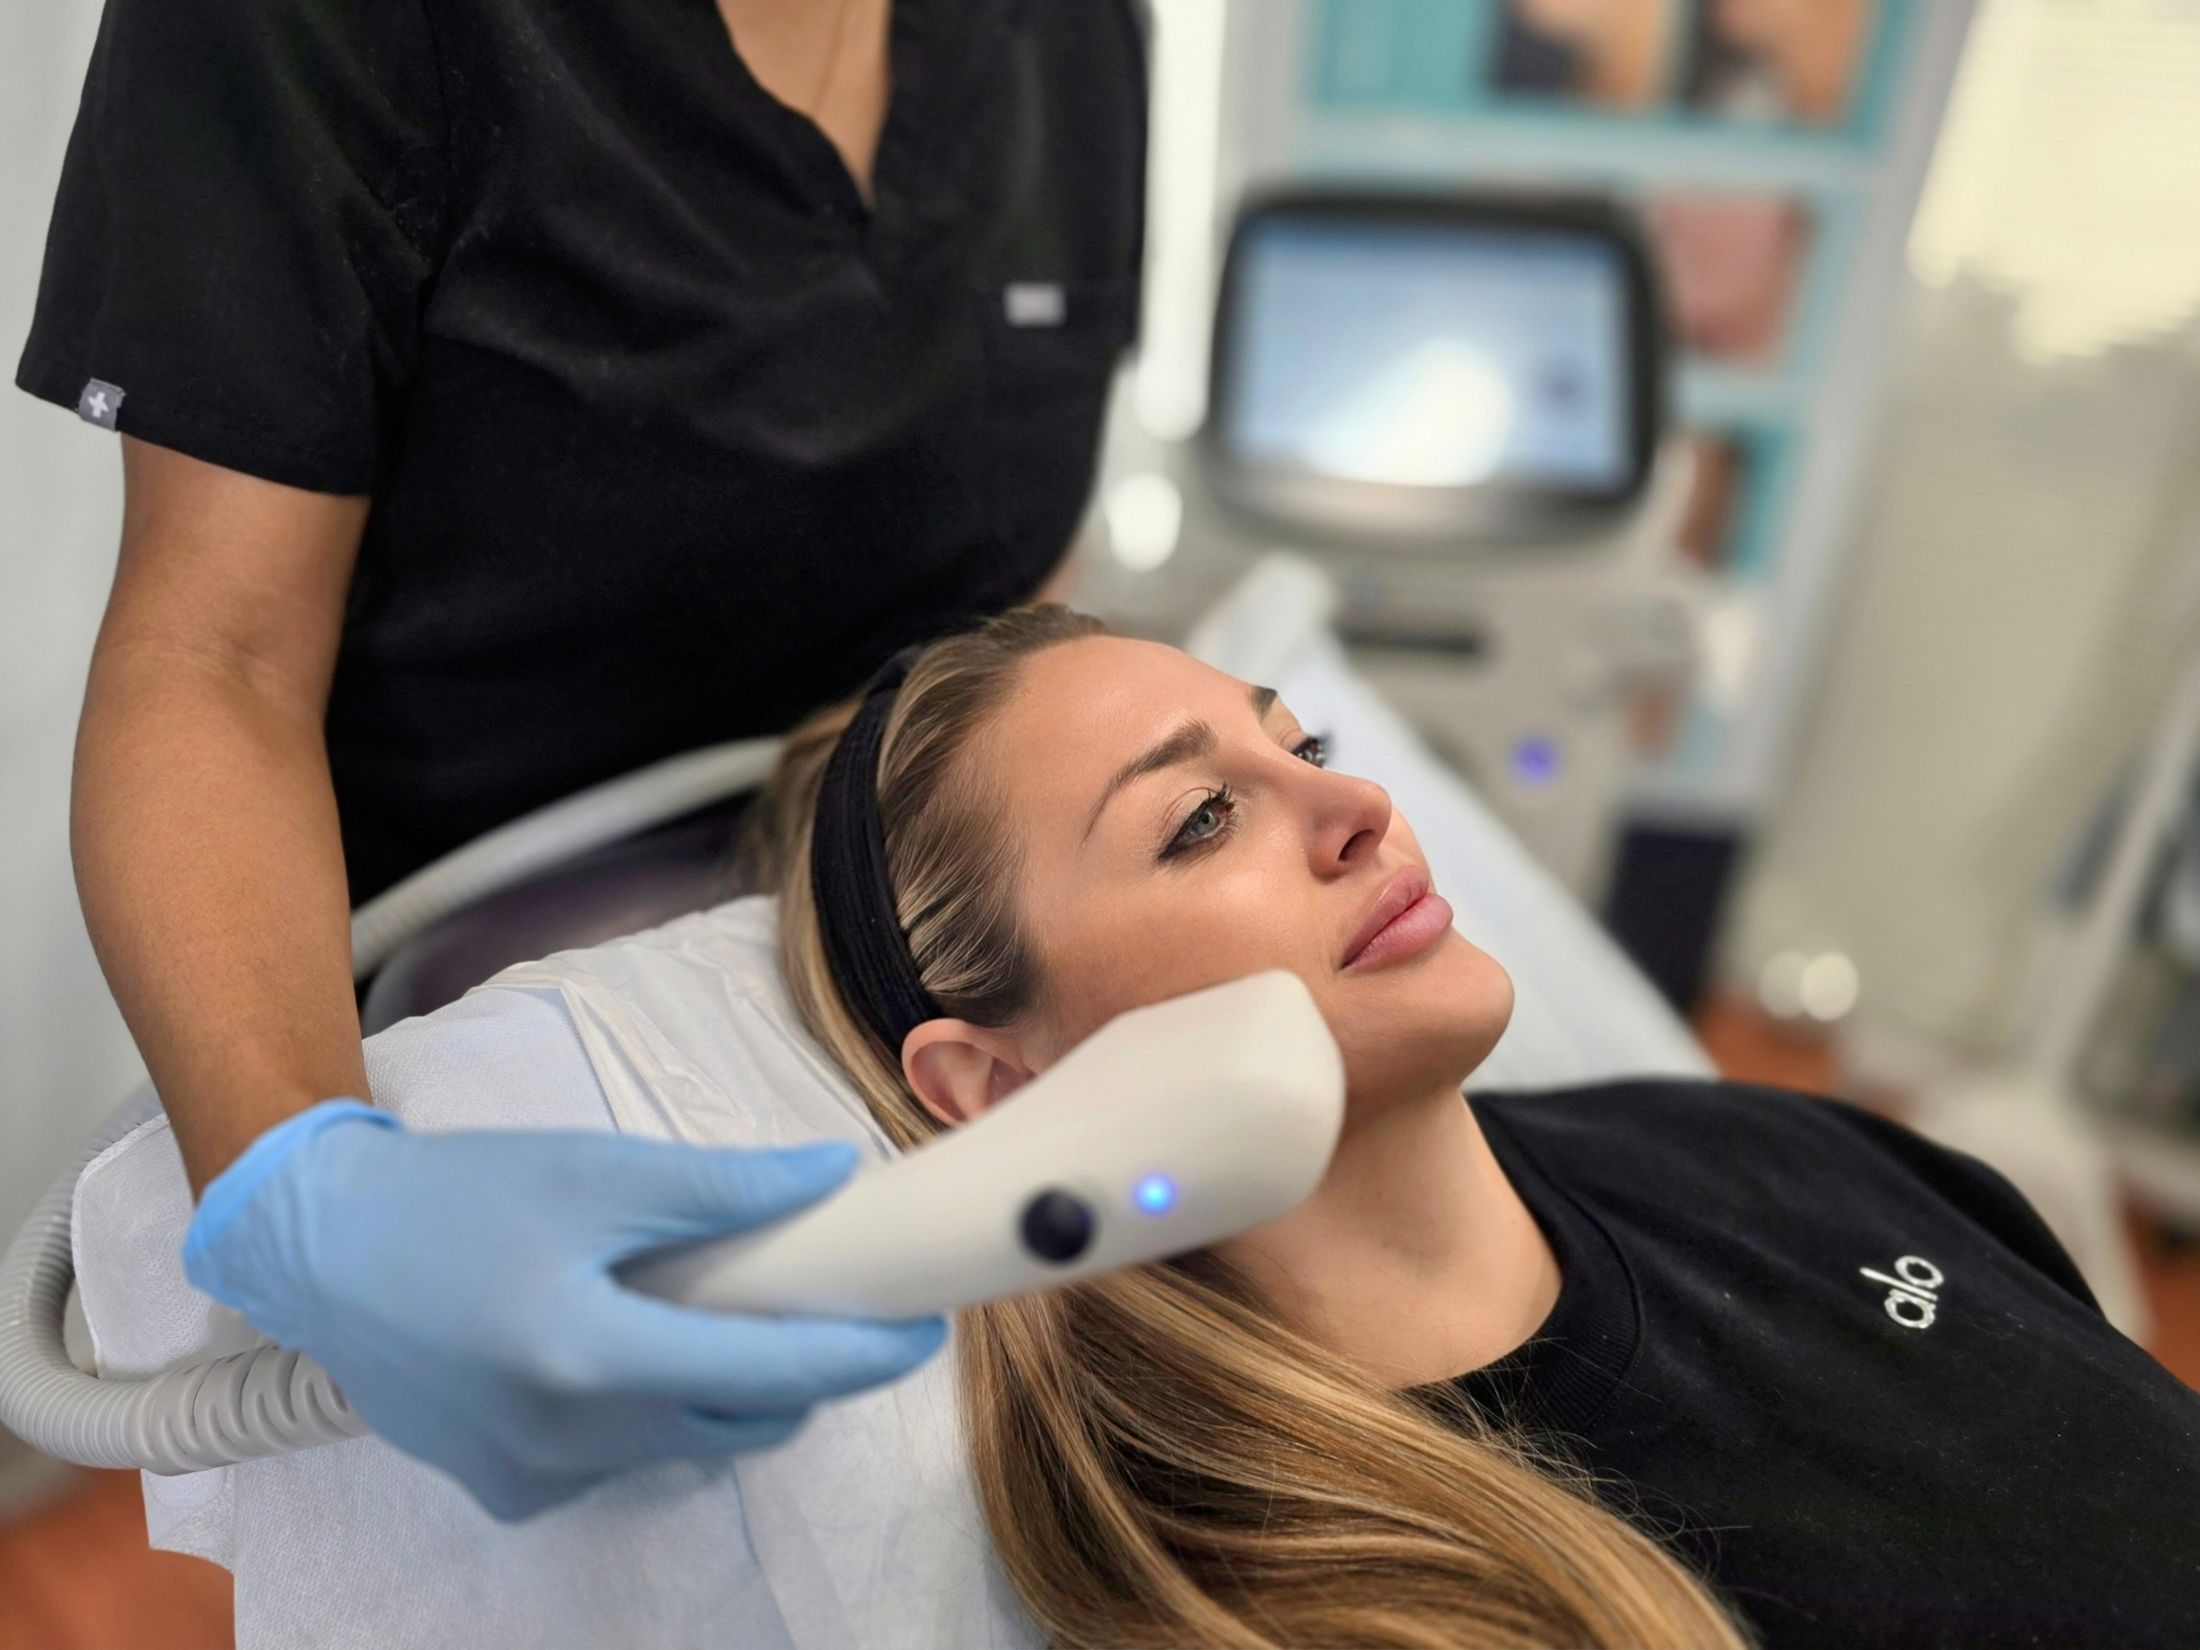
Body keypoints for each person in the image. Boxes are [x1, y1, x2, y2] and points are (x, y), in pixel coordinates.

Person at [15, 0, 1145, 1518]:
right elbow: (207, 662)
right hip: (493, 1050)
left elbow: (1015, 609)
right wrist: (314, 1188)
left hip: (924, 980)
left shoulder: (1067, 38)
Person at [743, 603, 2200, 1650]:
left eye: (1301, 739)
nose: (1358, 801)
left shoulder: (1744, 1140)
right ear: (1000, 1089)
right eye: (1199, 818)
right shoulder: (1310, 1595)